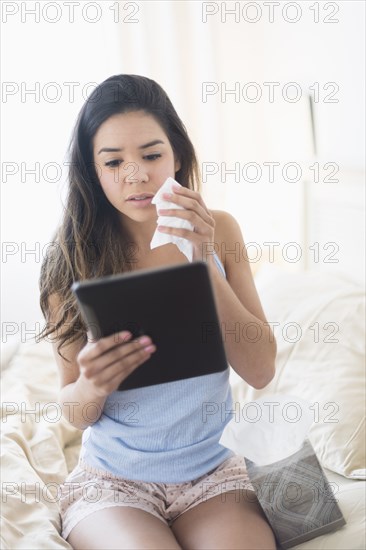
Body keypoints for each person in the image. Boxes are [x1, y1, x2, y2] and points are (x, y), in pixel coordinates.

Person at [38, 74, 277, 550]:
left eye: (151, 155)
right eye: (114, 162)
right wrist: (94, 384)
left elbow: (261, 370)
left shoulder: (221, 231)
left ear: (178, 156)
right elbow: (73, 411)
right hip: (114, 482)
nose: (137, 175)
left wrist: (201, 260)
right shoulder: (70, 260)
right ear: (92, 170)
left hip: (213, 474)